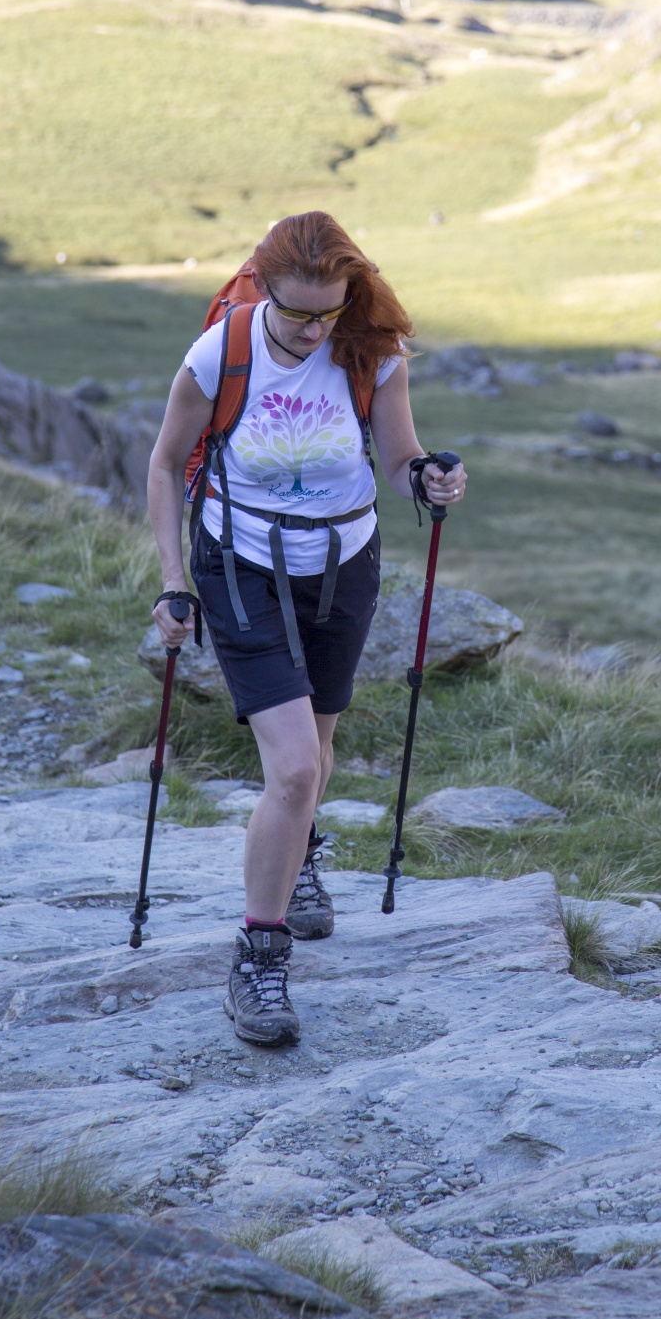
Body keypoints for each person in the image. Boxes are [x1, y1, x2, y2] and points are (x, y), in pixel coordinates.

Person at [147, 211, 466, 1045]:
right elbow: (164, 460)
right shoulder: (225, 350)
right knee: (292, 768)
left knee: (317, 753)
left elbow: (397, 460)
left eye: (328, 312)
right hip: (240, 565)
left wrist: (428, 478)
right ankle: (260, 955)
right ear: (263, 286)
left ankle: (300, 854)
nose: (312, 330)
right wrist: (174, 584)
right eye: (297, 313)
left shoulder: (370, 350)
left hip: (342, 566)